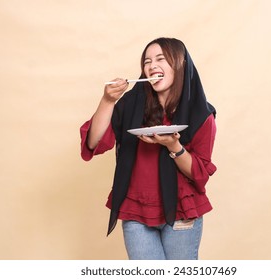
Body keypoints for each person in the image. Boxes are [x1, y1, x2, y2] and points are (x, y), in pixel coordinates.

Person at [80, 37, 216, 260]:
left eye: (161, 59)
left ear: (181, 63)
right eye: (147, 62)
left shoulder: (201, 114)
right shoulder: (130, 105)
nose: (152, 66)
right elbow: (94, 142)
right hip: (136, 209)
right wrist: (107, 100)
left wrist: (174, 145)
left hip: (182, 210)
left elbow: (198, 173)